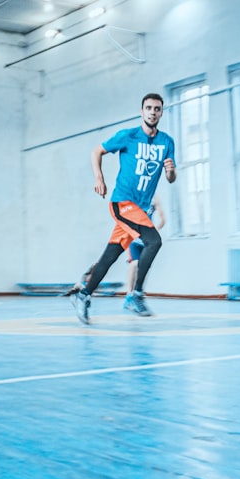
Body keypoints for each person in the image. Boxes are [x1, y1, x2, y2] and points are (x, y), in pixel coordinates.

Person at [71, 93, 176, 324]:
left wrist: (170, 170)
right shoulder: (128, 136)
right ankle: (135, 296)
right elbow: (96, 151)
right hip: (122, 203)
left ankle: (83, 295)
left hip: (140, 209)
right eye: (148, 108)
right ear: (142, 111)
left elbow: (170, 178)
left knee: (109, 257)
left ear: (161, 112)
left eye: (157, 109)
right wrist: (99, 178)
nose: (152, 112)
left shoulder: (166, 142)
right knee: (154, 241)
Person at [123, 193, 165, 313]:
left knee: (143, 267)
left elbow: (162, 219)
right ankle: (129, 296)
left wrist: (153, 232)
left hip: (146, 240)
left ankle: (137, 294)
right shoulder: (134, 194)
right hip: (134, 238)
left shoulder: (155, 198)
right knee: (134, 263)